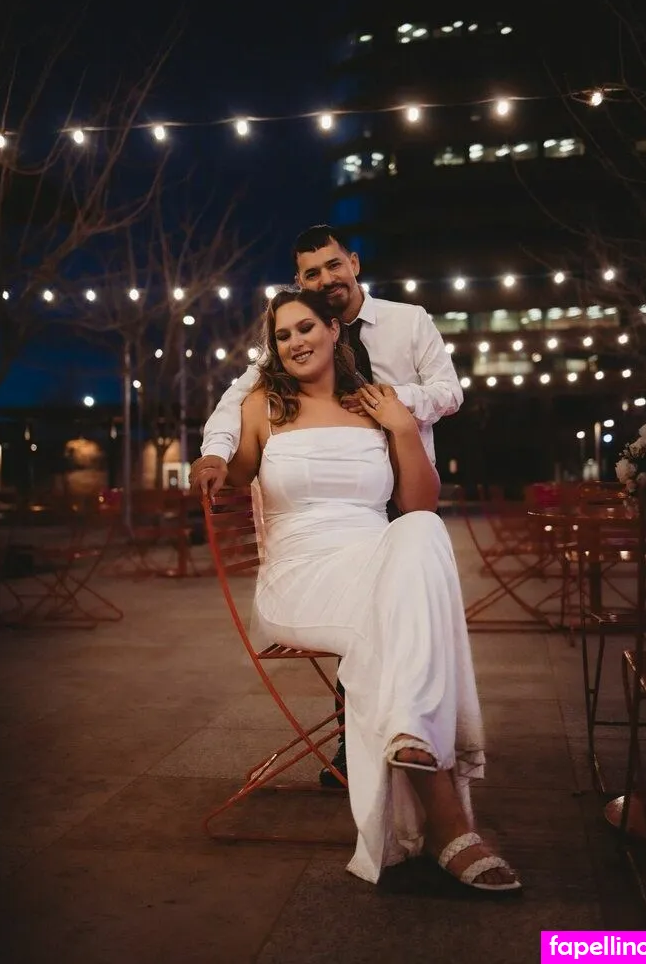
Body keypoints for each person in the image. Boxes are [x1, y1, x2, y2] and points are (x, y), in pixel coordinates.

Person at [191, 288, 520, 892]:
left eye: (305, 328)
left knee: (421, 531)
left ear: (334, 330)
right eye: (283, 335)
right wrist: (214, 460)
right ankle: (446, 818)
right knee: (394, 616)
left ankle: (415, 748)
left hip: (374, 561)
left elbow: (419, 502)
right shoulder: (264, 405)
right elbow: (232, 469)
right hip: (301, 576)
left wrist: (402, 428)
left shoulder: (373, 403)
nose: (295, 342)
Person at [197, 224, 464, 783]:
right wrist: (215, 453)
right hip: (312, 542)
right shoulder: (275, 381)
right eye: (311, 273)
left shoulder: (407, 322)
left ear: (354, 264)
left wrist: (390, 406)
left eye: (333, 266)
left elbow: (449, 392)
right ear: (300, 282)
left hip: (391, 491)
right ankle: (373, 741)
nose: (326, 278)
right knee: (390, 608)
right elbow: (232, 403)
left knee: (418, 557)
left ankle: (396, 737)